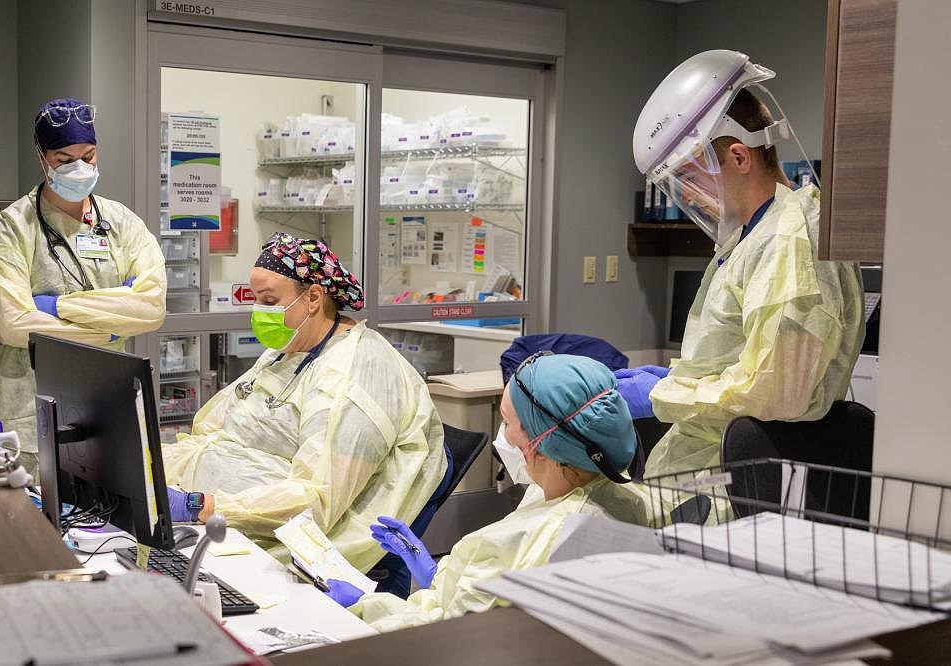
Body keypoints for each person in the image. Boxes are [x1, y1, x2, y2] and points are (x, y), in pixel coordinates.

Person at [624, 50, 864, 478]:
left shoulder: (788, 240)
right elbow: (734, 357)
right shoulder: (754, 234)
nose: (690, 196)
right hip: (701, 471)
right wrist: (677, 376)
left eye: (691, 178)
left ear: (739, 157)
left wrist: (662, 394)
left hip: (728, 488)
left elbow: (779, 390)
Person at [162, 232, 446, 573]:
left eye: (269, 300)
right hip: (213, 520)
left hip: (273, 544)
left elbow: (318, 501)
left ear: (313, 297)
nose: (258, 312)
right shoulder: (288, 351)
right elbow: (216, 431)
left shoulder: (357, 373)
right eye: (255, 300)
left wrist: (198, 505)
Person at [321, 353, 651, 632]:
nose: (503, 435)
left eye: (507, 422)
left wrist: (365, 606)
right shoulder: (615, 493)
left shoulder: (531, 536)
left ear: (542, 441)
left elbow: (446, 636)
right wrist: (439, 575)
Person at [0, 98, 167, 480]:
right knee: (33, 522)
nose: (79, 167)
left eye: (88, 155)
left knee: (108, 522)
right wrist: (114, 323)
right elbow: (15, 325)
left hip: (105, 398)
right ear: (42, 158)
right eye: (64, 159)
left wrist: (54, 306)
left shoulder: (121, 223)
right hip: (33, 402)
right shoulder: (13, 227)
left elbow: (151, 308)